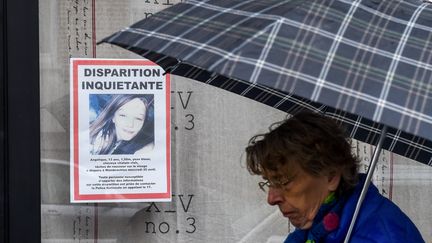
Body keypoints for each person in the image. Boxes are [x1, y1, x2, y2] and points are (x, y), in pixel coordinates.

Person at [245, 111, 424, 242]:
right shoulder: (317, 226)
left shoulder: (383, 235)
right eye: (269, 182)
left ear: (330, 176)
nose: (271, 198)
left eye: (283, 181)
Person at [90, 94, 154, 155]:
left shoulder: (119, 139)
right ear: (113, 117)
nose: (130, 124)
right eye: (123, 115)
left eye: (138, 118)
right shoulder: (98, 143)